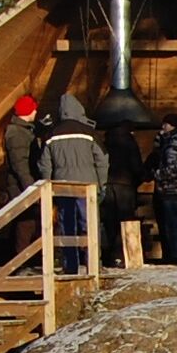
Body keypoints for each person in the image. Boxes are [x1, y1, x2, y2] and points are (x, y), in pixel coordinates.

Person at [39, 93, 108, 274]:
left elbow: (44, 166)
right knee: (89, 224)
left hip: (62, 187)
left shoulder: (52, 134)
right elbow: (102, 160)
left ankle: (70, 266)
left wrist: (49, 187)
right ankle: (94, 264)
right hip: (87, 187)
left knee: (67, 226)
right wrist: (101, 184)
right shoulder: (89, 133)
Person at [149, 113, 177, 266]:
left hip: (172, 190)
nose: (163, 127)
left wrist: (156, 174)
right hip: (174, 189)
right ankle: (172, 254)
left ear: (172, 125)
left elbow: (172, 169)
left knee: (173, 224)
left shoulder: (173, 145)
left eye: (165, 124)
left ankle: (175, 255)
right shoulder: (173, 142)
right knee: (171, 223)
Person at [2, 95, 41, 256]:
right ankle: (22, 257)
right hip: (21, 184)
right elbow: (20, 164)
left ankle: (26, 257)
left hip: (25, 181)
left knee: (30, 220)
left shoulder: (24, 131)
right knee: (26, 220)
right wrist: (30, 186)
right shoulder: (17, 134)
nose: (36, 112)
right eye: (34, 109)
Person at [103, 121, 144, 258]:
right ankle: (123, 254)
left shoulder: (106, 141)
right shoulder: (130, 142)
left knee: (110, 220)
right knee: (125, 220)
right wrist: (139, 179)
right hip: (126, 185)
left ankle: (111, 254)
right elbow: (136, 165)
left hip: (108, 184)